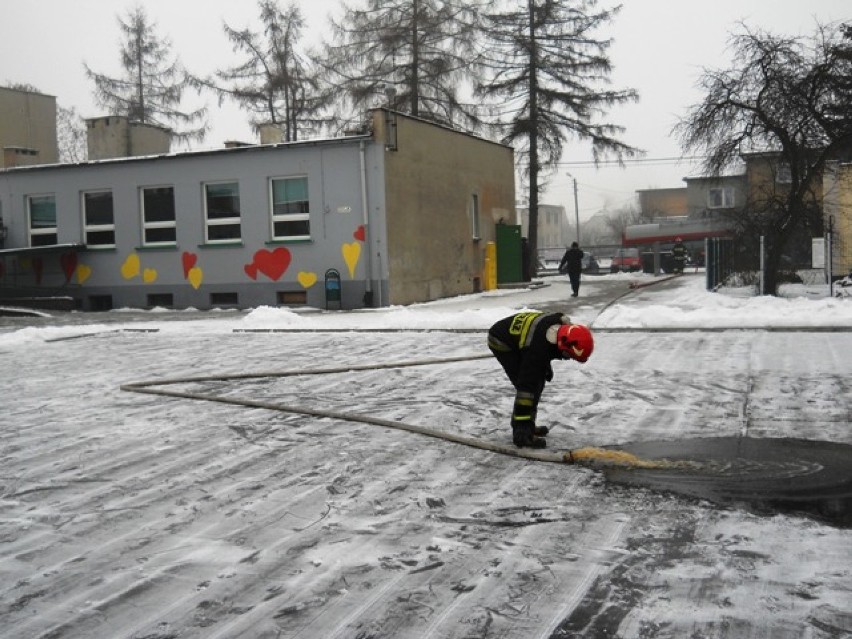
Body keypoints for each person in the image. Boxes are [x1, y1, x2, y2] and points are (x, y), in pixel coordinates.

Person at [487, 312, 594, 448]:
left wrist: (543, 366)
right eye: (568, 355)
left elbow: (544, 347)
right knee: (528, 390)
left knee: (536, 382)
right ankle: (522, 432)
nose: (568, 358)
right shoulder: (537, 350)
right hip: (501, 340)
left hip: (524, 341)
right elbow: (526, 386)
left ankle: (528, 425)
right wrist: (539, 368)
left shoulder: (561, 328)